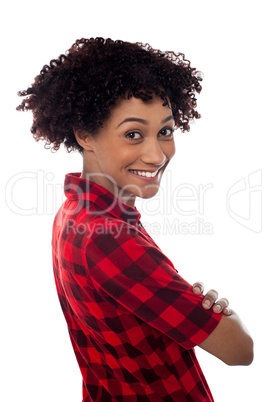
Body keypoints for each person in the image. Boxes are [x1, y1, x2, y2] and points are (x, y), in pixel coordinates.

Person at [17, 37, 253, 401]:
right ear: (84, 135)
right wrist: (227, 317)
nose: (157, 154)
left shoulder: (75, 211)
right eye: (133, 134)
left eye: (165, 132)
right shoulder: (109, 238)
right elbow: (240, 350)